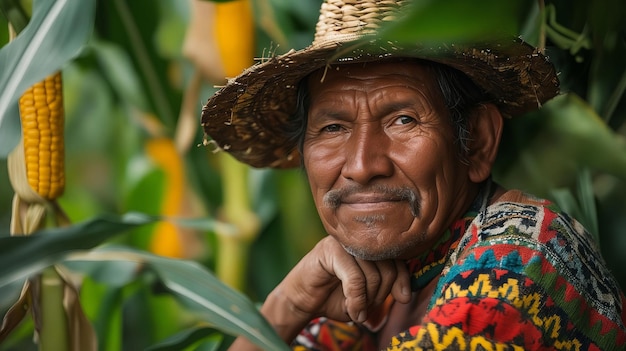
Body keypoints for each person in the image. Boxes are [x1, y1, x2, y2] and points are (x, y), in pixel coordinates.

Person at [201, 0, 626, 350]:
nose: (363, 166)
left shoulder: (517, 259)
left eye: (403, 120)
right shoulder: (378, 281)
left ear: (477, 141)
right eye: (332, 128)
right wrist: (288, 303)